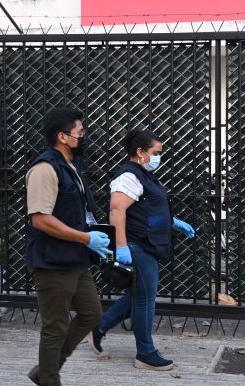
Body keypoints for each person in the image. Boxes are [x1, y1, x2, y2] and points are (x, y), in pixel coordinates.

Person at [88, 129, 196, 371]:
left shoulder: (144, 175)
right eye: (156, 153)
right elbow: (117, 211)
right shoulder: (128, 176)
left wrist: (172, 222)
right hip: (136, 246)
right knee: (145, 299)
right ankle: (145, 353)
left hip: (146, 244)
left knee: (138, 294)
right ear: (140, 152)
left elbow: (148, 210)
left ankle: (99, 327)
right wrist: (123, 247)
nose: (159, 157)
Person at [25, 108, 111, 386]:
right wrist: (86, 238)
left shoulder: (72, 165)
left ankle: (46, 369)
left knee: (91, 313)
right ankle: (50, 379)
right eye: (79, 132)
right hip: (53, 261)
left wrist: (91, 238)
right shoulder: (44, 169)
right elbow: (41, 219)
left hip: (76, 257)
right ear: (62, 136)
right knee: (55, 326)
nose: (83, 136)